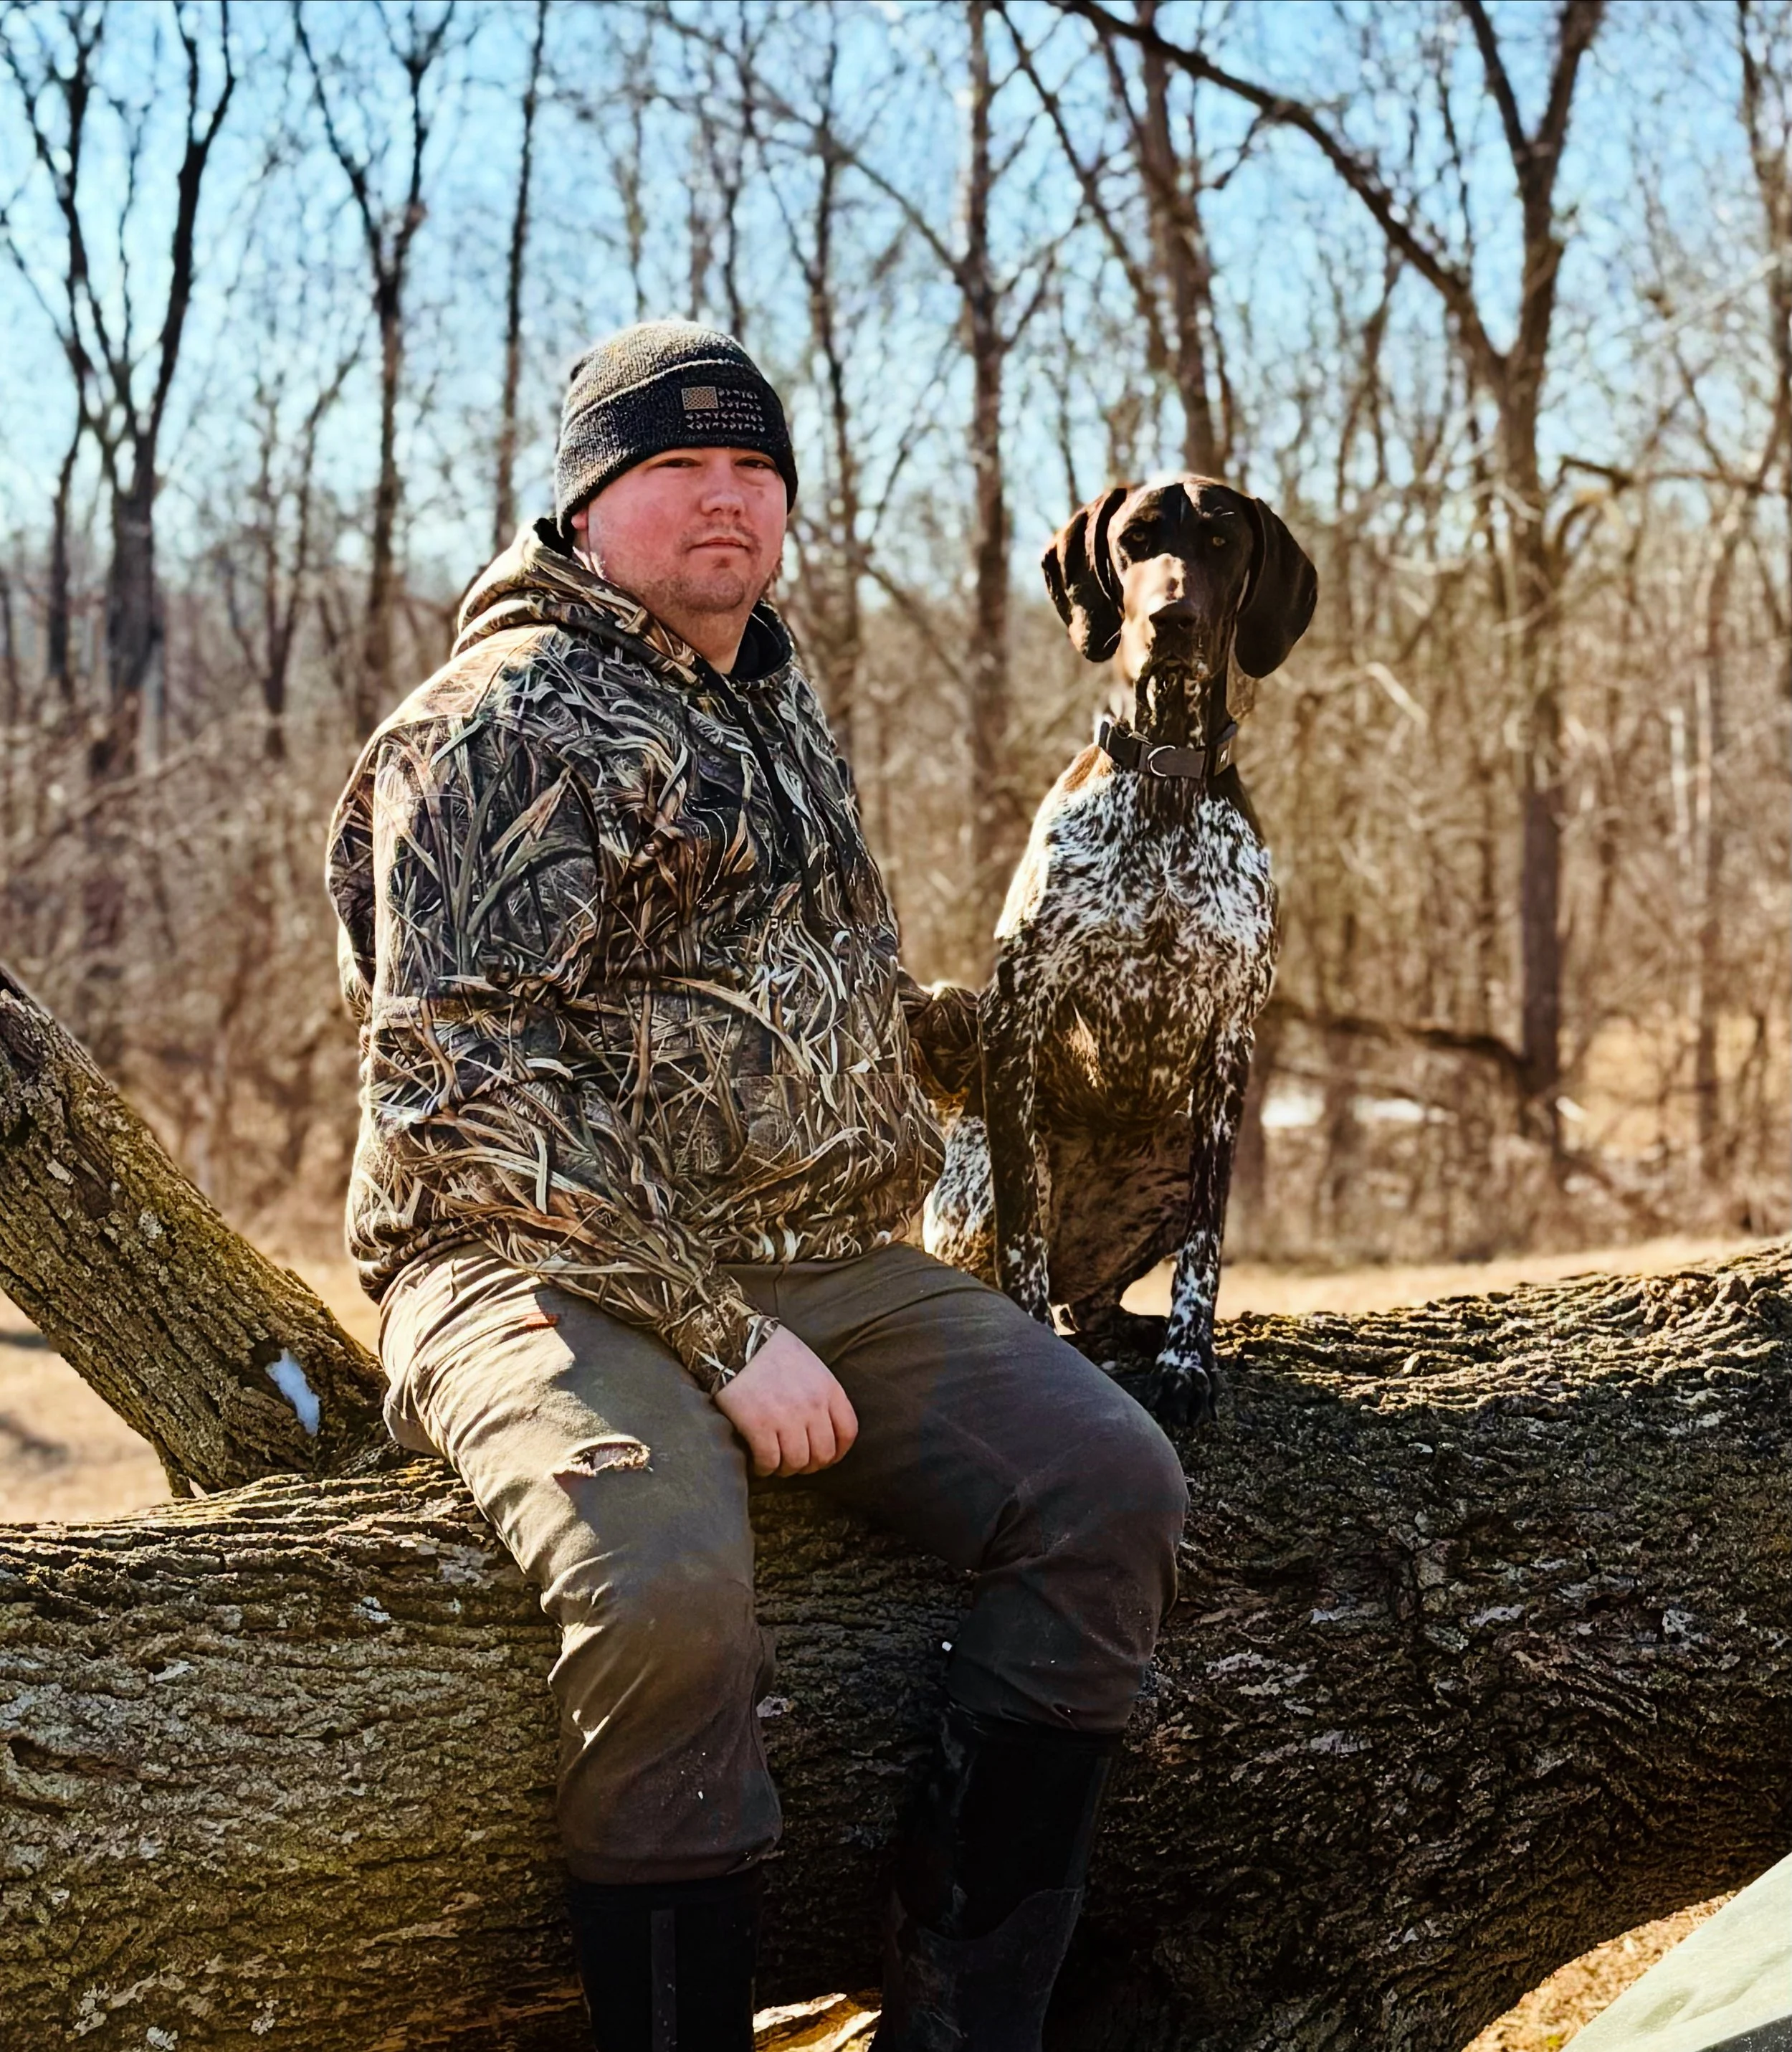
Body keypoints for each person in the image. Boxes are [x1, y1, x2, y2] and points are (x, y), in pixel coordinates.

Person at [325, 320, 1188, 2052]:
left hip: (819, 1255)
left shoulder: (771, 699)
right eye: (672, 466)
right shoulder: (492, 726)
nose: (722, 497)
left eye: (752, 466)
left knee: (1109, 1481)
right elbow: (464, 1085)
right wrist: (720, 1339)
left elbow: (795, 1005)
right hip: (528, 1267)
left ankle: (959, 2020)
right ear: (585, 505)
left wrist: (1019, 1048)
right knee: (662, 1598)